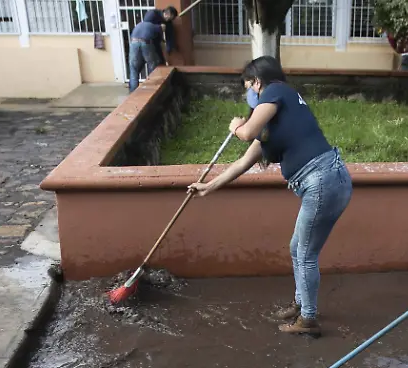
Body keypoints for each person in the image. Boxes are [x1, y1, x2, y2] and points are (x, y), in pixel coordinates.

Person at [189, 56, 352, 337]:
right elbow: (242, 163)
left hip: (323, 179)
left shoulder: (277, 90)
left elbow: (246, 131)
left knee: (306, 252)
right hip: (324, 181)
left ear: (258, 82)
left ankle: (308, 320)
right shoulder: (274, 125)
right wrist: (208, 186)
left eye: (247, 86)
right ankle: (302, 304)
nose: (247, 92)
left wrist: (236, 127)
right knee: (296, 248)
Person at [128, 6, 177, 92]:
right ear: (167, 14)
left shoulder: (142, 24)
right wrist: (167, 60)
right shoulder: (159, 27)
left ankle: (133, 94)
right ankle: (153, 90)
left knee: (134, 70)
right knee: (153, 66)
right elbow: (161, 44)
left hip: (133, 42)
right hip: (146, 42)